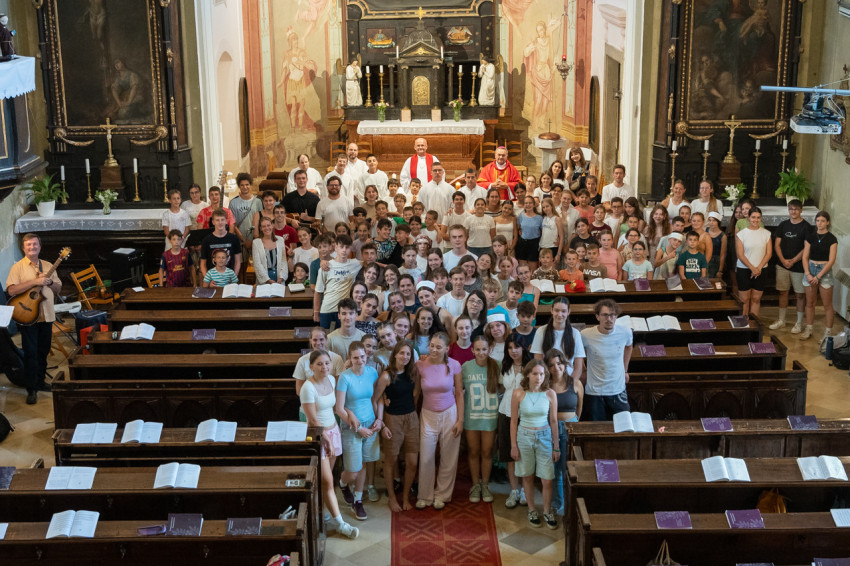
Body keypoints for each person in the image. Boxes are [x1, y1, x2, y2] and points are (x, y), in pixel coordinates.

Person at [300, 350, 360, 538]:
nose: (324, 367)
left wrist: (349, 413)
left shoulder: (332, 380)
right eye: (319, 364)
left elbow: (334, 406)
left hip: (333, 431)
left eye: (327, 363)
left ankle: (322, 512)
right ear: (311, 367)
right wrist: (326, 440)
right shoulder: (308, 388)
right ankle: (341, 524)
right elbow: (312, 420)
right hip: (319, 435)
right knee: (327, 481)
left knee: (325, 480)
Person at [6, 233, 62, 404]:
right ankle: (31, 388)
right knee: (30, 353)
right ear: (24, 248)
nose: (32, 247)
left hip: (47, 315)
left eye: (35, 244)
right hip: (27, 315)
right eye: (29, 245)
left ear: (40, 246)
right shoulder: (17, 267)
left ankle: (40, 381)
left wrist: (50, 283)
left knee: (43, 351)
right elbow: (11, 290)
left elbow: (58, 289)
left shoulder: (49, 265)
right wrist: (34, 282)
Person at [416, 333, 464, 510]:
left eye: (438, 347)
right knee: (426, 457)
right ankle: (425, 495)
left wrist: (460, 420)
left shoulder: (454, 365)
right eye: (432, 346)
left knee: (448, 457)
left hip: (450, 413)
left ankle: (442, 495)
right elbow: (416, 392)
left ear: (446, 349)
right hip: (428, 414)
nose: (434, 350)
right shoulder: (420, 364)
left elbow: (459, 393)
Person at [335, 341, 381, 521]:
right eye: (356, 358)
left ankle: (358, 500)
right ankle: (342, 483)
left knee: (363, 464)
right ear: (350, 358)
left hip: (370, 422)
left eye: (362, 356)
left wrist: (379, 420)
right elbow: (339, 409)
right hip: (351, 426)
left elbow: (376, 398)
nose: (360, 360)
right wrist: (359, 428)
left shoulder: (372, 372)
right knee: (353, 470)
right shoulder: (345, 377)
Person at [510, 359, 558, 529]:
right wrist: (513, 445)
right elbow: (513, 421)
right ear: (528, 374)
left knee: (547, 479)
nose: (539, 377)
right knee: (527, 476)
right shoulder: (518, 393)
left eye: (542, 374)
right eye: (535, 374)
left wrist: (556, 446)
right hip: (524, 436)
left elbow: (554, 421)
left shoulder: (550, 394)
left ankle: (547, 510)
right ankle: (531, 509)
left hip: (544, 436)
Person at [373, 341, 421, 512]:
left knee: (412, 462)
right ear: (394, 355)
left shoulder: (413, 373)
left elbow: (415, 397)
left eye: (408, 354)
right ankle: (392, 498)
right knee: (391, 461)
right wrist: (382, 424)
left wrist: (412, 415)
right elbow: (375, 399)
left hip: (411, 418)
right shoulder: (387, 376)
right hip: (392, 419)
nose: (405, 357)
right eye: (402, 353)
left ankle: (406, 496)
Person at [462, 335, 501, 504]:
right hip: (471, 417)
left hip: (490, 417)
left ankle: (485, 484)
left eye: (484, 349)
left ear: (489, 349)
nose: (481, 352)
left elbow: (502, 389)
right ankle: (475, 484)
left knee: (486, 451)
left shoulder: (496, 365)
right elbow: (458, 391)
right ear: (472, 350)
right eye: (477, 349)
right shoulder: (466, 367)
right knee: (473, 451)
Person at [545, 349, 584, 517]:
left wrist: (572, 424)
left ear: (565, 364)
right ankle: (557, 504)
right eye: (551, 365)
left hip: (570, 428)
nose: (556, 368)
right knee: (554, 469)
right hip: (551, 429)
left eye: (559, 363)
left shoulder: (575, 383)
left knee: (568, 468)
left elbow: (579, 409)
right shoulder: (545, 385)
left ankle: (569, 504)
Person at [580, 299, 633, 421]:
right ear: (597, 316)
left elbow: (629, 346)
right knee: (596, 428)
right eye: (605, 315)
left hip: (618, 389)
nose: (609, 319)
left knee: (624, 425)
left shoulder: (625, 332)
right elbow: (577, 353)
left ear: (616, 316)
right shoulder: (586, 335)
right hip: (594, 391)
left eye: (612, 315)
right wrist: (583, 370)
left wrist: (625, 369)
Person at [769, 200, 811, 333]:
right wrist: (783, 260)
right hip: (782, 265)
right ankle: (782, 320)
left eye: (796, 209)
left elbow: (806, 247)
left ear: (801, 210)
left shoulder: (806, 227)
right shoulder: (783, 225)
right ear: (788, 210)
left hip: (799, 266)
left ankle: (799, 323)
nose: (793, 211)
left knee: (800, 295)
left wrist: (793, 260)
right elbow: (777, 245)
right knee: (783, 292)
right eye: (791, 209)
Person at [800, 211, 838, 341]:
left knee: (827, 305)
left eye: (822, 221)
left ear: (827, 222)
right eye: (817, 221)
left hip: (824, 270)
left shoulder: (832, 239)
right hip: (810, 269)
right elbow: (805, 257)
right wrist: (808, 273)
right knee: (810, 303)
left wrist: (818, 276)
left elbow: (831, 260)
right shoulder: (810, 237)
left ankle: (828, 333)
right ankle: (809, 328)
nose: (819, 223)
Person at [314, 236, 362, 328]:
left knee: (345, 335)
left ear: (351, 248)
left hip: (345, 310)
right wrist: (316, 312)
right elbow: (318, 291)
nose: (344, 250)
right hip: (327, 309)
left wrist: (385, 266)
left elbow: (369, 263)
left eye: (347, 247)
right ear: (335, 247)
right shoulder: (326, 266)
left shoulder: (355, 263)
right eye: (341, 247)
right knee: (327, 336)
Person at [735, 207, 772, 317]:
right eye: (753, 217)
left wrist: (758, 268)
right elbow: (740, 254)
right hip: (744, 269)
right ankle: (744, 323)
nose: (756, 220)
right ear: (749, 218)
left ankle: (754, 322)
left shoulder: (766, 234)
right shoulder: (741, 234)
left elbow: (769, 253)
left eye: (758, 217)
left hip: (761, 270)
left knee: (756, 298)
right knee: (744, 299)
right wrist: (752, 268)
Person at [200, 209, 242, 279]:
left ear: (226, 221)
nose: (220, 223)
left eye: (222, 220)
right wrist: (208, 280)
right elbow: (203, 264)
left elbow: (237, 262)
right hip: (212, 279)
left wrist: (233, 277)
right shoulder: (206, 240)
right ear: (213, 222)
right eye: (217, 220)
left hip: (230, 278)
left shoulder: (234, 239)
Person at [228, 172, 262, 253]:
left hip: (256, 239)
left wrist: (255, 239)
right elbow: (233, 223)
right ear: (239, 186)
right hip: (240, 240)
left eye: (247, 184)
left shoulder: (258, 201)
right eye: (242, 185)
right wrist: (243, 239)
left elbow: (261, 220)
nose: (245, 187)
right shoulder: (233, 202)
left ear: (250, 185)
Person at [252, 217, 289, 285]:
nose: (267, 228)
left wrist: (281, 277)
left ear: (272, 225)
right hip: (264, 280)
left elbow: (283, 261)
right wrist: (267, 280)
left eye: (268, 225)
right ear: (261, 228)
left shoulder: (280, 240)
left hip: (279, 278)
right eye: (264, 226)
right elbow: (257, 264)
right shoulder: (256, 242)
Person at [516, 196, 543, 271]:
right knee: (522, 269)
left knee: (532, 269)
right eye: (526, 203)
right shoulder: (521, 216)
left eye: (530, 203)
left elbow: (542, 232)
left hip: (534, 244)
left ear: (534, 204)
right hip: (522, 243)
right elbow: (518, 228)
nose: (528, 205)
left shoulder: (539, 218)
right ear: (524, 205)